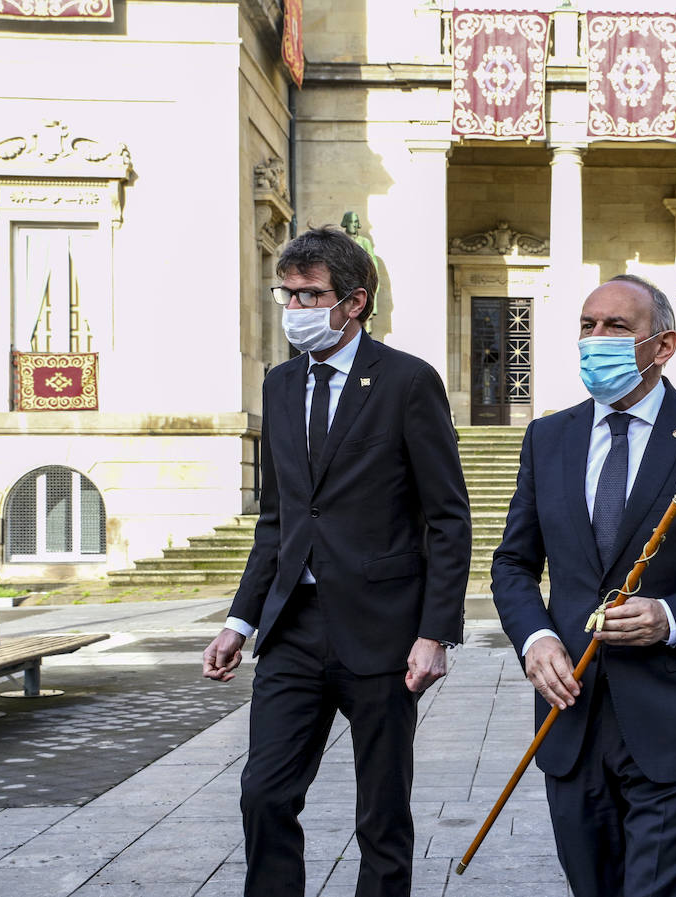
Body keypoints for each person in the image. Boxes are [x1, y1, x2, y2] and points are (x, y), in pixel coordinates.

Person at [491, 274, 676, 897]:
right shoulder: (548, 437)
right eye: (587, 325)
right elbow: (513, 563)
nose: (595, 339)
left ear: (664, 345)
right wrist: (535, 638)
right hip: (569, 717)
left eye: (617, 327)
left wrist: (672, 616)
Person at [201, 226, 471, 897]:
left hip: (382, 631)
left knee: (381, 812)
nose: (294, 309)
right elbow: (278, 519)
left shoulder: (408, 382)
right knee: (263, 793)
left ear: (353, 301)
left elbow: (447, 516)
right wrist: (239, 620)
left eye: (309, 295)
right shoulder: (281, 383)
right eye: (286, 294)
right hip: (292, 626)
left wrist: (434, 632)